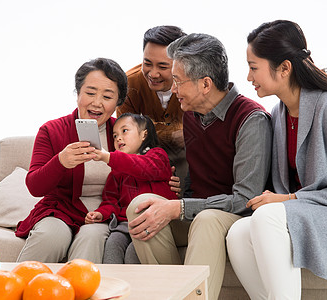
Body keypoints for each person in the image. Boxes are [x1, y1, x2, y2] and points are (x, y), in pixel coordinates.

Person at [226, 20, 327, 299]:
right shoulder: (279, 114)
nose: (249, 77)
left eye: (254, 67)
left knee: (265, 218)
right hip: (312, 213)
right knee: (238, 233)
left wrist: (288, 201)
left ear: (285, 68)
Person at [126, 33, 272, 300]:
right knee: (141, 206)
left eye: (179, 81)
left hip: (236, 217)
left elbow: (246, 199)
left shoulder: (251, 120)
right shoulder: (191, 115)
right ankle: (173, 293)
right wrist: (178, 194)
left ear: (205, 84)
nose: (174, 89)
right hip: (200, 209)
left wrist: (179, 207)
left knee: (206, 220)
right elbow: (198, 175)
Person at [15, 58, 128, 264]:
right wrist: (60, 162)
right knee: (50, 236)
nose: (97, 102)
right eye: (90, 93)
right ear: (78, 94)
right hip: (60, 209)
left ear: (118, 102)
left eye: (107, 96)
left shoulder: (126, 133)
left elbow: (145, 167)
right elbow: (34, 186)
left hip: (103, 213)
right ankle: (17, 291)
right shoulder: (51, 130)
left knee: (91, 237)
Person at [85, 113, 177, 264]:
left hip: (154, 222)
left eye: (124, 131)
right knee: (113, 244)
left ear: (143, 134)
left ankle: (136, 286)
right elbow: (110, 200)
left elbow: (144, 168)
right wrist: (101, 214)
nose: (118, 138)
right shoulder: (116, 171)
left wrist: (109, 157)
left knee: (133, 252)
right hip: (124, 225)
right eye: (115, 136)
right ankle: (114, 284)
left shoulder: (157, 156)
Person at [116, 25, 188, 194]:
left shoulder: (194, 83)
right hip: (145, 156)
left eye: (163, 67)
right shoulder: (129, 85)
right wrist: (175, 133)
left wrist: (147, 128)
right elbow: (126, 135)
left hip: (190, 156)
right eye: (147, 63)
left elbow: (201, 133)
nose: (153, 74)